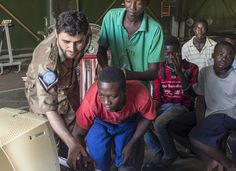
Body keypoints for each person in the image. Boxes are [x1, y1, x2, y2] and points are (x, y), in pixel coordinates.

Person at [24, 10, 91, 170]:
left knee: (74, 125)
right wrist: (72, 143)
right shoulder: (47, 62)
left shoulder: (83, 37)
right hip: (41, 94)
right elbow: (49, 109)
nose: (73, 48)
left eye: (78, 42)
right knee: (47, 140)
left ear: (86, 34)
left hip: (67, 82)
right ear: (56, 33)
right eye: (66, 41)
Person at [72, 67, 157, 171]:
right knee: (98, 162)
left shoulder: (140, 94)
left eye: (112, 96)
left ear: (125, 91)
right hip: (100, 123)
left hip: (127, 122)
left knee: (127, 162)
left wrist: (132, 142)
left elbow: (148, 117)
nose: (106, 102)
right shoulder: (91, 101)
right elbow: (78, 133)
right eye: (101, 96)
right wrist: (83, 155)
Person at [144, 36, 198, 167]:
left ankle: (170, 154)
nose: (170, 56)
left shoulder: (192, 68)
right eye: (167, 53)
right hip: (165, 105)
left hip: (182, 105)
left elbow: (191, 95)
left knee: (159, 123)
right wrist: (152, 110)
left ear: (179, 51)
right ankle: (158, 150)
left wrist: (179, 70)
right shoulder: (159, 69)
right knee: (142, 120)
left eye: (173, 52)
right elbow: (157, 96)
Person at [189, 41, 236, 171]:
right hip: (213, 115)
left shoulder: (234, 76)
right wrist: (200, 123)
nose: (224, 58)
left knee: (195, 138)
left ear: (233, 59)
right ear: (213, 55)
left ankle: (229, 165)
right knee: (178, 127)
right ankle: (211, 161)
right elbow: (201, 98)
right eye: (221, 54)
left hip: (228, 115)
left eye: (229, 56)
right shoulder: (205, 72)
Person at [97, 0, 164, 88]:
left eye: (139, 3)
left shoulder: (155, 30)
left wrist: (130, 75)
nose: (132, 7)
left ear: (147, 4)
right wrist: (107, 71)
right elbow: (101, 51)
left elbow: (153, 72)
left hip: (139, 87)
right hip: (113, 85)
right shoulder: (111, 17)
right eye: (128, 1)